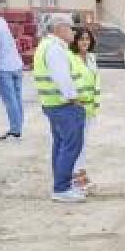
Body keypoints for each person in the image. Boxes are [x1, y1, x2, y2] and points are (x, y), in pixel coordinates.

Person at [33, 15, 87, 202]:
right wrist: (74, 98)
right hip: (64, 105)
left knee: (61, 145)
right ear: (60, 29)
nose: (74, 32)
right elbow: (62, 77)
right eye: (71, 28)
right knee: (71, 146)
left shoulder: (46, 46)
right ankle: (62, 188)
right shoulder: (55, 49)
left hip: (53, 104)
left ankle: (61, 184)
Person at [69, 26, 101, 190]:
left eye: (87, 39)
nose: (85, 42)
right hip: (76, 107)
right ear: (75, 41)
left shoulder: (91, 58)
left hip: (89, 108)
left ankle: (81, 173)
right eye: (81, 39)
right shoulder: (71, 58)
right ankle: (75, 177)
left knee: (83, 144)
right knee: (76, 144)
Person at [0, 4, 25, 141]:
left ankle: (15, 130)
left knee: (10, 101)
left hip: (3, 68)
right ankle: (18, 127)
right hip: (16, 64)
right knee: (16, 99)